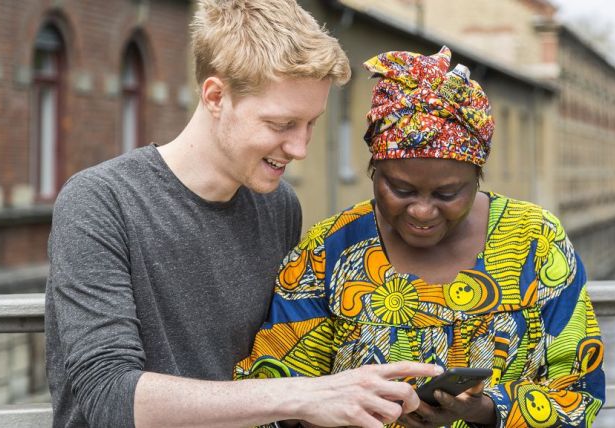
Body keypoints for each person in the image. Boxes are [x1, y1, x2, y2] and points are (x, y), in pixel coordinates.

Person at [45, 1, 443, 427]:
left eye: (311, 123)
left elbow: (281, 358)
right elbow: (109, 397)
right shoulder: (99, 202)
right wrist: (304, 396)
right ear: (216, 96)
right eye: (281, 124)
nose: (300, 148)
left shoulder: (277, 204)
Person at [235, 46, 606, 427]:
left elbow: (579, 389)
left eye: (448, 194)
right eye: (400, 189)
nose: (422, 211)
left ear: (477, 176)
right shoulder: (330, 250)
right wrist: (344, 404)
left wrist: (487, 410)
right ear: (373, 171)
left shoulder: (534, 242)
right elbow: (274, 395)